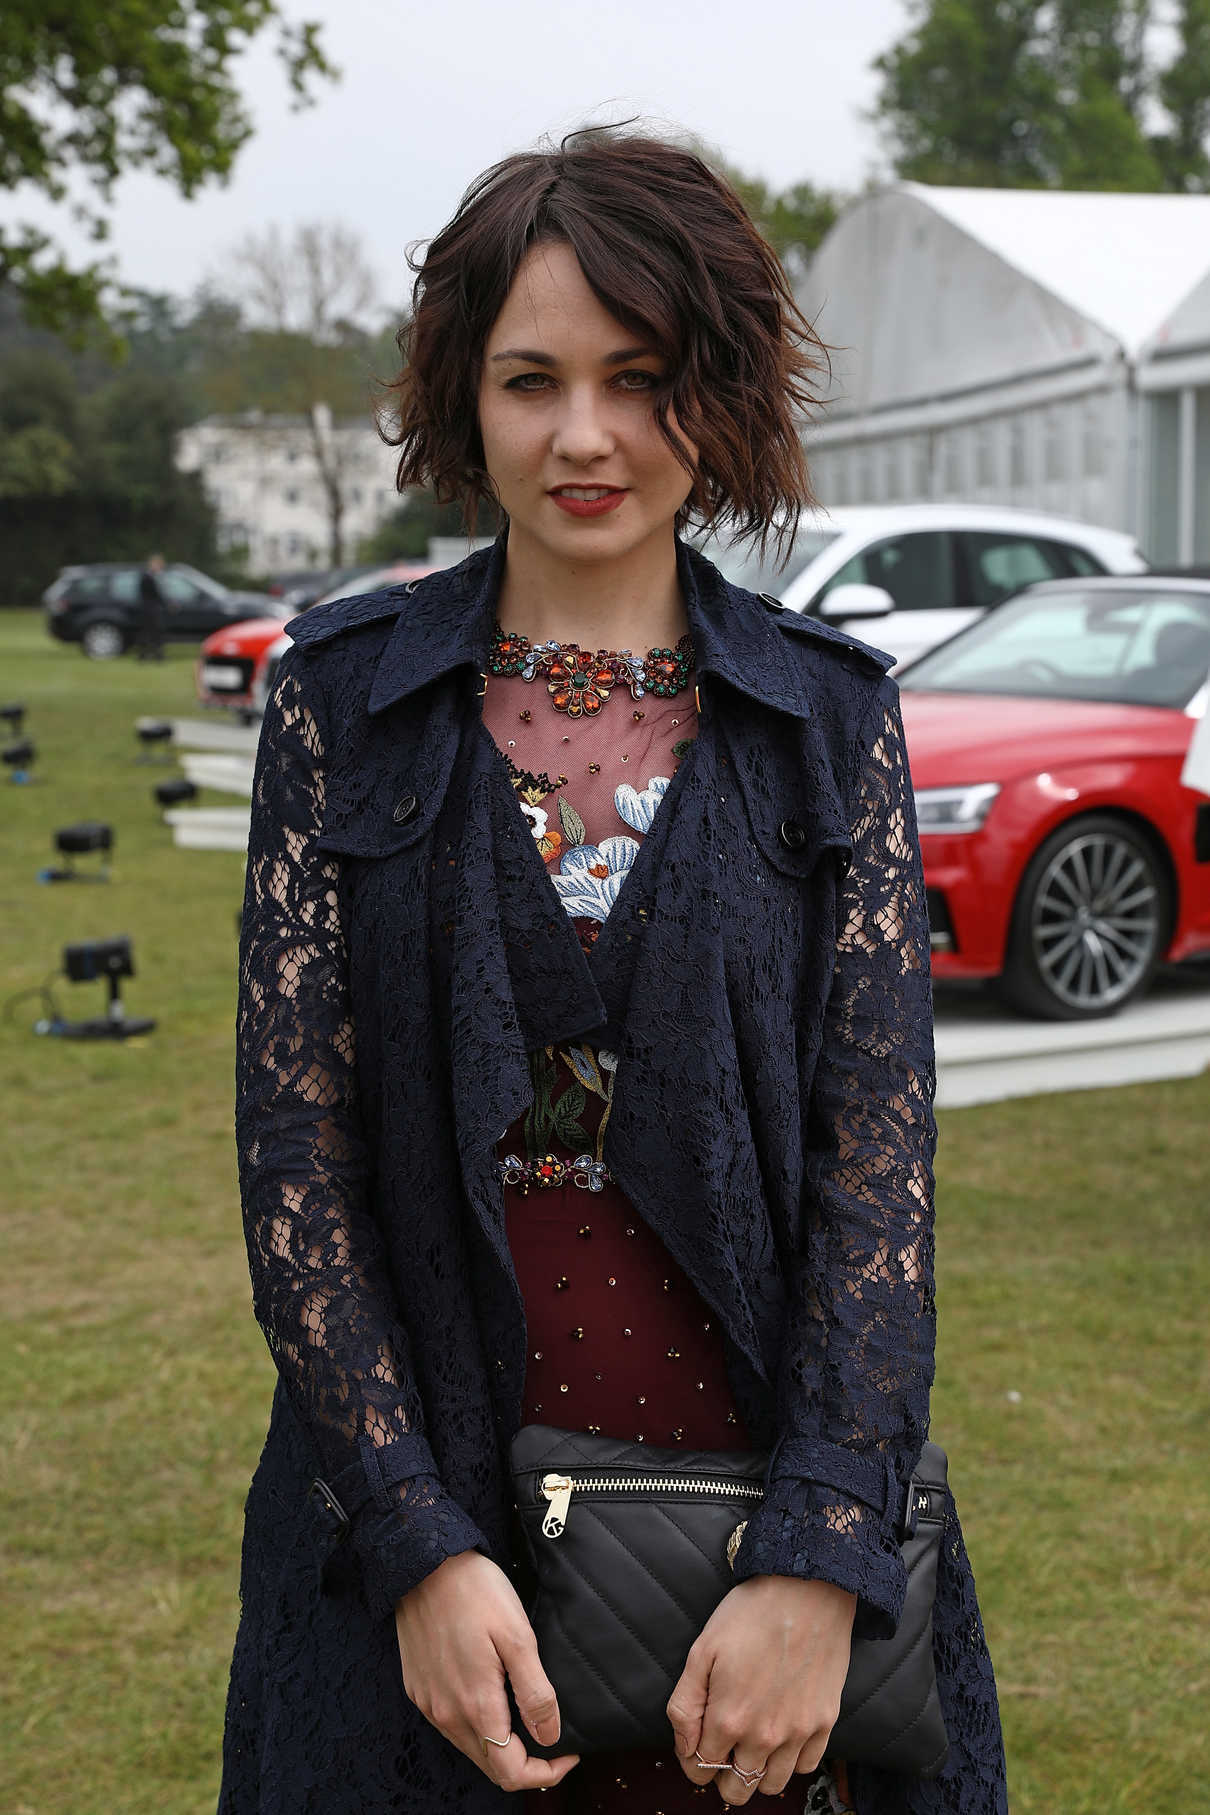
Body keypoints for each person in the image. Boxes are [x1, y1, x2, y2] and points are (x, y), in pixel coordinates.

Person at [220, 130, 1006, 1815]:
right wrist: (417, 1546)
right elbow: (301, 1160)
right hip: (420, 1549)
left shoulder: (830, 724)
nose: (584, 435)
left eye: (640, 377)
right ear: (462, 396)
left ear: (715, 393)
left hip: (750, 1555)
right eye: (531, 379)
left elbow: (880, 1186)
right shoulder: (341, 703)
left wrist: (818, 1558)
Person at [136, 553, 166, 660]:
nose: (159, 567)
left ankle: (154, 655)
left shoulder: (154, 577)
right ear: (152, 564)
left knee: (154, 633)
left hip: (152, 609)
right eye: (158, 564)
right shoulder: (147, 577)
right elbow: (155, 595)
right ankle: (145, 655)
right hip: (149, 609)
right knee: (148, 633)